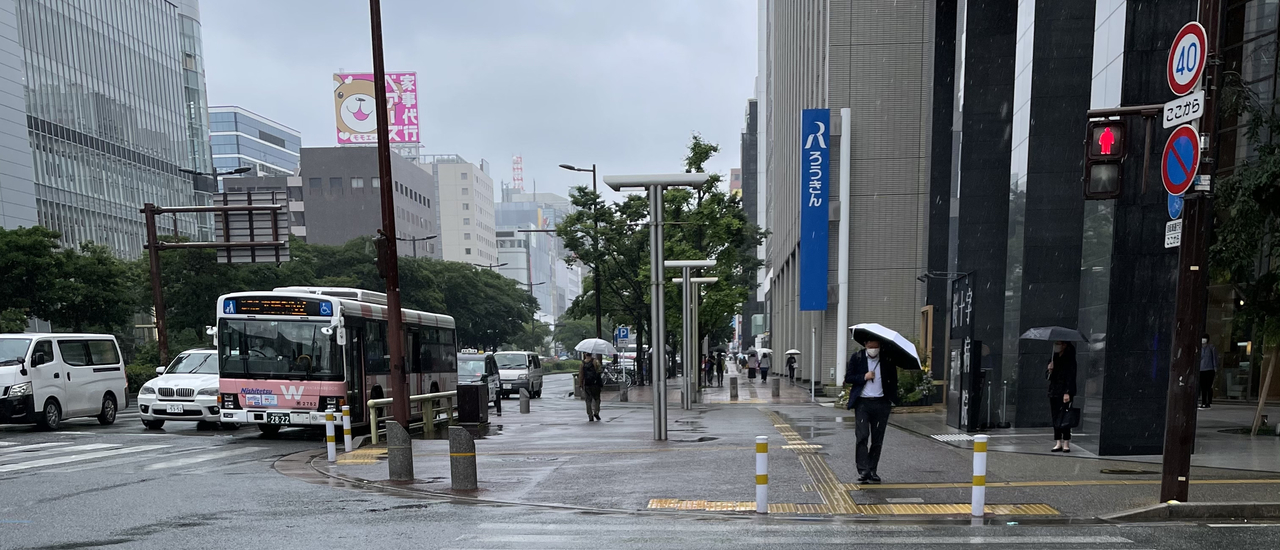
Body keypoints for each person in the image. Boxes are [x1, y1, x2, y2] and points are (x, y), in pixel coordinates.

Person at [844, 339, 898, 483]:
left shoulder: (887, 359)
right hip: (863, 403)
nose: (873, 349)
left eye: (876, 346)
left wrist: (892, 398)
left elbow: (893, 380)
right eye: (870, 346)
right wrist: (864, 377)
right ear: (865, 345)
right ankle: (863, 470)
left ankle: (873, 469)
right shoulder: (857, 357)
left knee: (877, 439)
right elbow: (848, 378)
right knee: (862, 436)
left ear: (880, 346)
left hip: (881, 403)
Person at [1046, 341, 1078, 452]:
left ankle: (1066, 442)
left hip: (1064, 392)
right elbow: (1048, 377)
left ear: (1064, 345)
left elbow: (1071, 377)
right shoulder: (1053, 358)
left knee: (1065, 416)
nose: (1056, 345)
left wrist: (1067, 392)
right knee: (1055, 416)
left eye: (1058, 343)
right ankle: (1058, 441)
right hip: (1054, 391)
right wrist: (1050, 370)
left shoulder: (1069, 359)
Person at [579, 354, 604, 422]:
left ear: (585, 355)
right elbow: (600, 371)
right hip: (595, 384)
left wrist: (581, 384)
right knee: (597, 399)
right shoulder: (595, 361)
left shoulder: (582, 363)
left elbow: (581, 374)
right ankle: (596, 412)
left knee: (588, 400)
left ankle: (590, 415)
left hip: (587, 384)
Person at [1199, 334, 1219, 410]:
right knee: (1203, 387)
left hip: (1210, 369)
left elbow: (1214, 358)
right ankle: (1203, 402)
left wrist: (1215, 367)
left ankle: (1207, 402)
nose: (1203, 340)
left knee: (1208, 387)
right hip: (1201, 370)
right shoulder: (1200, 348)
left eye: (1205, 338)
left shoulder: (1211, 348)